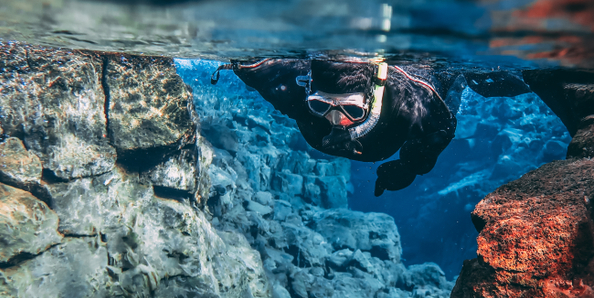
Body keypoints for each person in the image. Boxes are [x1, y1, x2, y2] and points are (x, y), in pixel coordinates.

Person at [213, 57, 530, 195]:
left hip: (404, 118)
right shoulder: (290, 86)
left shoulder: (415, 101)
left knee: (469, 78)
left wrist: (407, 167)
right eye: (320, 106)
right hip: (380, 139)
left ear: (373, 96)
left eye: (350, 109)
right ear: (308, 91)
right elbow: (254, 68)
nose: (335, 120)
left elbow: (438, 132)